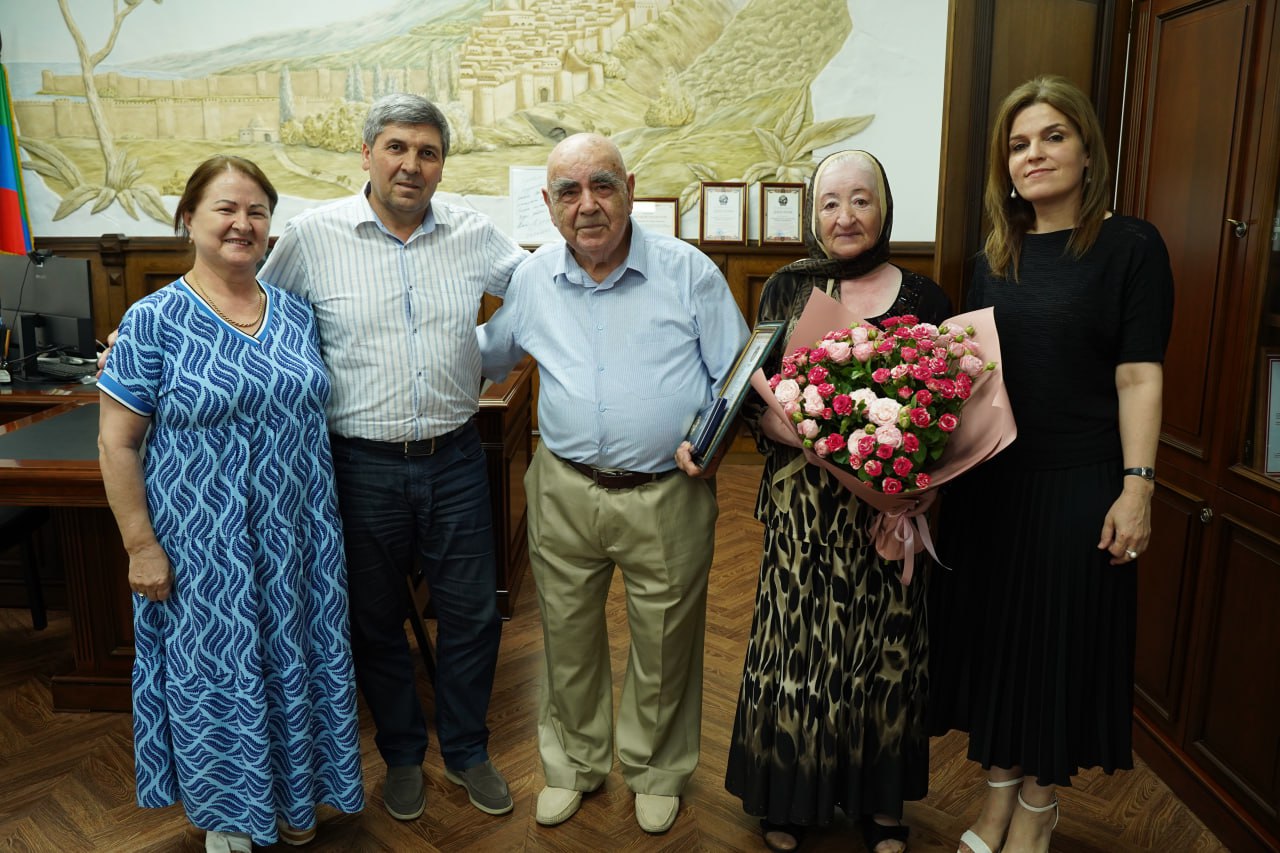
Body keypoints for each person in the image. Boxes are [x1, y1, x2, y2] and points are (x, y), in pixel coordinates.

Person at [257, 94, 527, 821]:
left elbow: (542, 292)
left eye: (428, 152)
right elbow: (249, 311)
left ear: (442, 165)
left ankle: (466, 749)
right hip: (358, 466)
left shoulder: (472, 233)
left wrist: (493, 355)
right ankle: (403, 753)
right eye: (397, 148)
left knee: (473, 615)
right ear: (368, 154)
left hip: (456, 457)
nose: (412, 164)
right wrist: (153, 340)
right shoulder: (313, 237)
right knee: (374, 621)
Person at [927, 75, 1173, 853]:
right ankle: (997, 796)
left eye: (1053, 136)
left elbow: (1138, 376)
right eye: (1019, 143)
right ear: (1005, 166)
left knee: (1057, 650)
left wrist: (1138, 487)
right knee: (1001, 645)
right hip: (994, 485)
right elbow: (975, 376)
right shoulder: (991, 257)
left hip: (1081, 482)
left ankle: (1039, 806)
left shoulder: (1131, 247)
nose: (1034, 154)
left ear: (1088, 150)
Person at [477, 133, 749, 835]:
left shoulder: (688, 272)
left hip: (668, 492)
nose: (587, 205)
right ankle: (573, 763)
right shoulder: (533, 280)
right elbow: (487, 355)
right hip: (563, 488)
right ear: (549, 204)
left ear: (629, 189)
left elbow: (736, 376)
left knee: (665, 643)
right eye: (569, 192)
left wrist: (712, 444)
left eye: (602, 185)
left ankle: (656, 770)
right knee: (566, 638)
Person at [98, 156, 364, 853]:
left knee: (299, 664)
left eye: (257, 211)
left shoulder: (297, 313)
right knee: (219, 677)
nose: (242, 223)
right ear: (189, 218)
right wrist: (141, 547)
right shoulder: (151, 321)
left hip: (300, 539)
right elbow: (116, 443)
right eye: (226, 208)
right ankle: (227, 814)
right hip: (204, 547)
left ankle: (295, 795)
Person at [723, 149, 952, 853]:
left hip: (887, 513)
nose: (845, 216)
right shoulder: (786, 289)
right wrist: (784, 425)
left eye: (861, 199)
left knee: (885, 652)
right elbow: (750, 395)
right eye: (830, 202)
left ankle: (880, 804)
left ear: (885, 208)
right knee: (797, 650)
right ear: (813, 214)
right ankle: (789, 799)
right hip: (802, 509)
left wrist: (925, 481)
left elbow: (951, 410)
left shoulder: (924, 297)